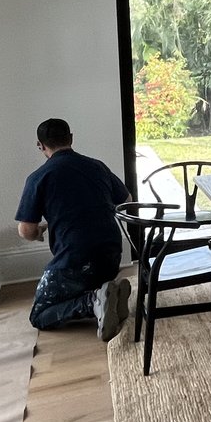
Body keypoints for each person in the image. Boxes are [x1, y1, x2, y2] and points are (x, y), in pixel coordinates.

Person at [16, 118, 131, 340]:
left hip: (76, 261)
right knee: (83, 277)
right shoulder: (97, 166)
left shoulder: (38, 177)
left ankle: (93, 302)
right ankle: (109, 295)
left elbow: (26, 231)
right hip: (112, 254)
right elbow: (127, 200)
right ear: (71, 138)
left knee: (39, 315)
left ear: (40, 146)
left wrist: (40, 230)